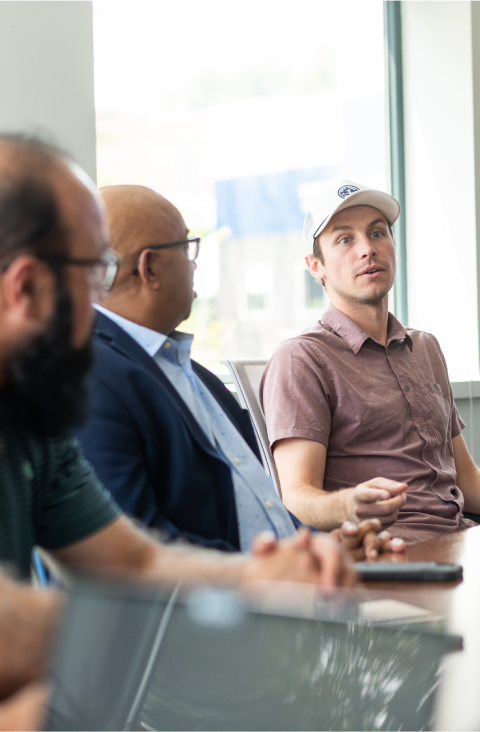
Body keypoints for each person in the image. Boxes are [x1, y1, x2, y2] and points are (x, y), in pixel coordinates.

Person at [0, 136, 364, 699]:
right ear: (26, 288)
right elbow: (16, 633)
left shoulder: (33, 420)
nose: (103, 299)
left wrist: (269, 575)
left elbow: (133, 561)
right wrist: (256, 607)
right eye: (94, 271)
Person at [76, 184, 405, 559]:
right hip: (227, 606)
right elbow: (132, 556)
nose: (194, 263)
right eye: (186, 248)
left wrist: (326, 545)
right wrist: (271, 571)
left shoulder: (197, 379)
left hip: (281, 589)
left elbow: (264, 509)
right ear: (149, 268)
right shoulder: (90, 383)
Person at [260, 179, 480, 545]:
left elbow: (466, 478)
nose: (367, 249)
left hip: (462, 540)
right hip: (390, 555)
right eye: (345, 240)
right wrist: (349, 504)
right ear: (316, 266)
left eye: (378, 233)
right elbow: (296, 498)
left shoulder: (425, 347)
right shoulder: (301, 358)